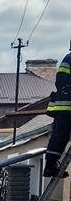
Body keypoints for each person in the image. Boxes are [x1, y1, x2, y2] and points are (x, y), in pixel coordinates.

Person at [43, 49, 71, 177]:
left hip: (63, 107)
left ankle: (50, 166)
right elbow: (61, 79)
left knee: (60, 136)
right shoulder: (69, 58)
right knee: (60, 136)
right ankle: (50, 166)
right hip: (66, 107)